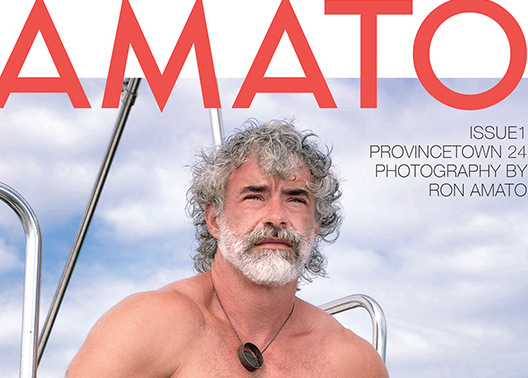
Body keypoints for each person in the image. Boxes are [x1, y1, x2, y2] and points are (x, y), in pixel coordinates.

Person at [65, 120, 388, 377]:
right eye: (254, 196)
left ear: (316, 227)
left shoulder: (352, 363)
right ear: (214, 219)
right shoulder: (150, 324)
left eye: (295, 199)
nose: (276, 217)